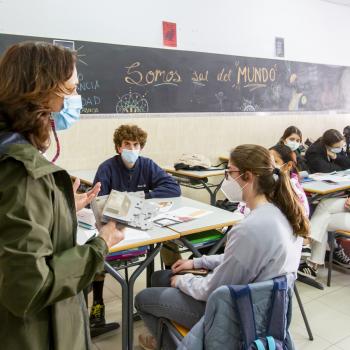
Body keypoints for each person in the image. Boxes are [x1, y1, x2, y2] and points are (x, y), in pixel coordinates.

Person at [0, 42, 125, 350]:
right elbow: (30, 286)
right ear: (43, 91)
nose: (75, 97)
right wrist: (101, 245)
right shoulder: (23, 173)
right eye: (71, 88)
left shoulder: (13, 158)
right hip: (33, 334)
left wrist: (60, 205)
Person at [135, 144, 309, 350]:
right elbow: (242, 260)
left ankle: (173, 343)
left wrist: (184, 281)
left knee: (143, 298)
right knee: (160, 278)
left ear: (248, 176)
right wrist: (196, 261)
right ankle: (168, 335)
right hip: (266, 309)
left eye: (230, 172)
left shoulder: (250, 228)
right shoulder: (287, 214)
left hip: (235, 315)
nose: (226, 177)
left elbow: (213, 289)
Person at [89, 124, 181, 329]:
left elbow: (173, 187)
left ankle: (174, 291)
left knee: (170, 239)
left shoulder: (147, 165)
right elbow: (96, 199)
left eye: (136, 145)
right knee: (98, 245)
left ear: (141, 147)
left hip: (143, 220)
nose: (132, 149)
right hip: (117, 224)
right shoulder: (107, 167)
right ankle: (97, 304)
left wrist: (143, 197)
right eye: (127, 144)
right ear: (118, 147)